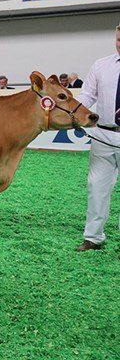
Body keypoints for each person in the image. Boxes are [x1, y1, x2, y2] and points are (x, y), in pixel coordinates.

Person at [74, 25, 120, 252]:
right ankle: (93, 237)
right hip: (103, 133)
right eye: (119, 39)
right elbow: (87, 94)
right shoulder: (101, 65)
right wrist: (75, 111)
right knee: (96, 185)